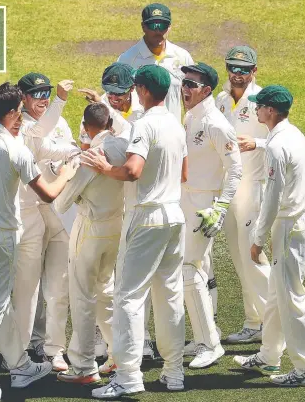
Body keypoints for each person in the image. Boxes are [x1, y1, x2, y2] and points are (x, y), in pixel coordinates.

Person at [0, 82, 78, 402]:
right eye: (19, 113)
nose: (22, 119)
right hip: (1, 238)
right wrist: (68, 171)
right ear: (9, 114)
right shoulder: (15, 149)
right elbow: (48, 193)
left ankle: (20, 366)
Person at [82, 65, 187, 398]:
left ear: (141, 89)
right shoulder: (174, 122)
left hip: (146, 218)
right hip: (174, 216)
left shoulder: (145, 124)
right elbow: (184, 173)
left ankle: (128, 378)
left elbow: (132, 170)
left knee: (129, 298)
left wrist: (104, 167)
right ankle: (174, 373)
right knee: (169, 296)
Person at [233, 85, 305, 388]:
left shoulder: (276, 145)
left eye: (260, 106)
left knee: (291, 299)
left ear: (270, 111)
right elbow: (275, 146)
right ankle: (269, 354)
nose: (255, 109)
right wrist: (257, 143)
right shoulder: (291, 134)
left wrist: (257, 240)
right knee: (276, 293)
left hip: (290, 226)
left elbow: (272, 197)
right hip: (299, 221)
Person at [78, 62, 157, 360]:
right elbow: (84, 147)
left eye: (120, 93)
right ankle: (102, 336)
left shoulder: (144, 114)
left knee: (133, 276)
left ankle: (143, 339)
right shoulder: (96, 113)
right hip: (107, 203)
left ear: (133, 89)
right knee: (103, 278)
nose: (114, 98)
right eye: (109, 92)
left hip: (134, 200)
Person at [55, 103, 127, 384]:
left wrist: (66, 173)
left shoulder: (89, 158)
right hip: (116, 228)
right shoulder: (124, 144)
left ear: (85, 127)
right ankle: (119, 354)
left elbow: (61, 203)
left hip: (90, 230)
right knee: (106, 291)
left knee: (83, 296)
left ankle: (84, 366)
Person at [15, 73, 79, 371]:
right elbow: (40, 138)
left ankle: (52, 348)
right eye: (36, 93)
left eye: (46, 92)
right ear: (23, 97)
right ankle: (21, 348)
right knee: (26, 286)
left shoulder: (59, 121)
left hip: (61, 215)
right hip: (30, 214)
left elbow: (65, 147)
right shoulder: (20, 126)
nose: (42, 98)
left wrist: (76, 153)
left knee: (57, 286)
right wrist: (60, 101)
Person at [180, 63, 242, 368]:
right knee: (200, 269)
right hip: (184, 201)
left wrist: (220, 208)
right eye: (183, 82)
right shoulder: (190, 116)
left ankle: (210, 344)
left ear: (206, 90)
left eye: (191, 83)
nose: (185, 88)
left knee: (189, 270)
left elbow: (236, 170)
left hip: (204, 206)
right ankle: (206, 332)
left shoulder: (217, 124)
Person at [215, 46, 271, 344]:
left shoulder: (264, 100)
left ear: (254, 71)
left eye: (244, 69)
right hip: (229, 189)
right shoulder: (220, 100)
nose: (237, 74)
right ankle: (254, 322)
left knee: (253, 255)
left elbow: (284, 138)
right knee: (238, 257)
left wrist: (258, 143)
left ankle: (273, 323)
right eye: (233, 68)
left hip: (253, 187)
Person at [117, 3, 194, 121]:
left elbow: (192, 98)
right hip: (139, 134)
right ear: (143, 27)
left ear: (169, 27)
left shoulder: (183, 57)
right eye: (153, 26)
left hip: (171, 133)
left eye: (162, 25)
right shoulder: (126, 60)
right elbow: (117, 99)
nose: (158, 31)